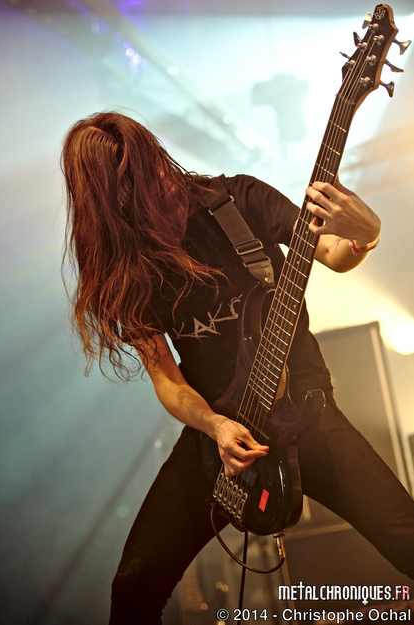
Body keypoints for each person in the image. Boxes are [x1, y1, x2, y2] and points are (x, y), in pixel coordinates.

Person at [61, 111, 414, 624]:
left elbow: (333, 252)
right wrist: (215, 427)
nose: (163, 179)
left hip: (306, 417)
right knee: (134, 586)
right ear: (115, 206)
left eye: (156, 161)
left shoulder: (238, 202)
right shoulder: (130, 269)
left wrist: (367, 235)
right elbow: (166, 378)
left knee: (405, 536)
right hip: (221, 441)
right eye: (142, 182)